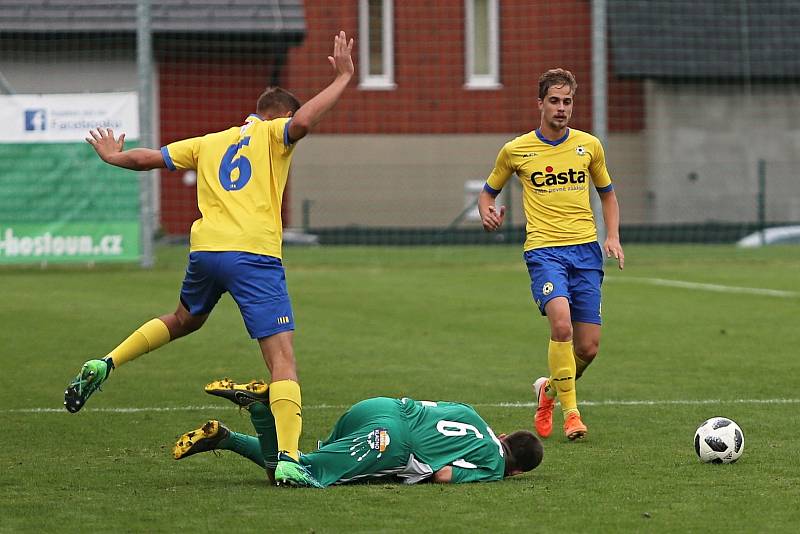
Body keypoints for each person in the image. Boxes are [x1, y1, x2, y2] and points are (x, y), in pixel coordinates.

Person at [63, 31, 356, 486]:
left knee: (184, 317)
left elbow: (149, 160)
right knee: (282, 362)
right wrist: (341, 79)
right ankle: (290, 459)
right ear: (280, 113)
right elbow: (302, 124)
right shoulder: (274, 134)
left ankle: (106, 362)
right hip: (252, 255)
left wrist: (114, 156)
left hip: (205, 252)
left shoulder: (210, 141)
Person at [478, 68, 624, 441]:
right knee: (562, 325)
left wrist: (613, 236)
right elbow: (487, 192)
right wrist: (486, 211)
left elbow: (607, 193)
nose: (562, 108)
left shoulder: (589, 146)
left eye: (568, 102)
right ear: (540, 103)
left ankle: (550, 392)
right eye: (555, 101)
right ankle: (572, 415)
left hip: (586, 251)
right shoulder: (516, 150)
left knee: (588, 348)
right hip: (544, 251)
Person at [172, 379, 544, 487]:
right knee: (300, 475)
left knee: (293, 463)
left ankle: (225, 438)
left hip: (379, 406)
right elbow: (445, 474)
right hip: (390, 442)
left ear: (507, 433)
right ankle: (259, 410)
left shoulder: (474, 414)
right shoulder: (495, 466)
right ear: (517, 471)